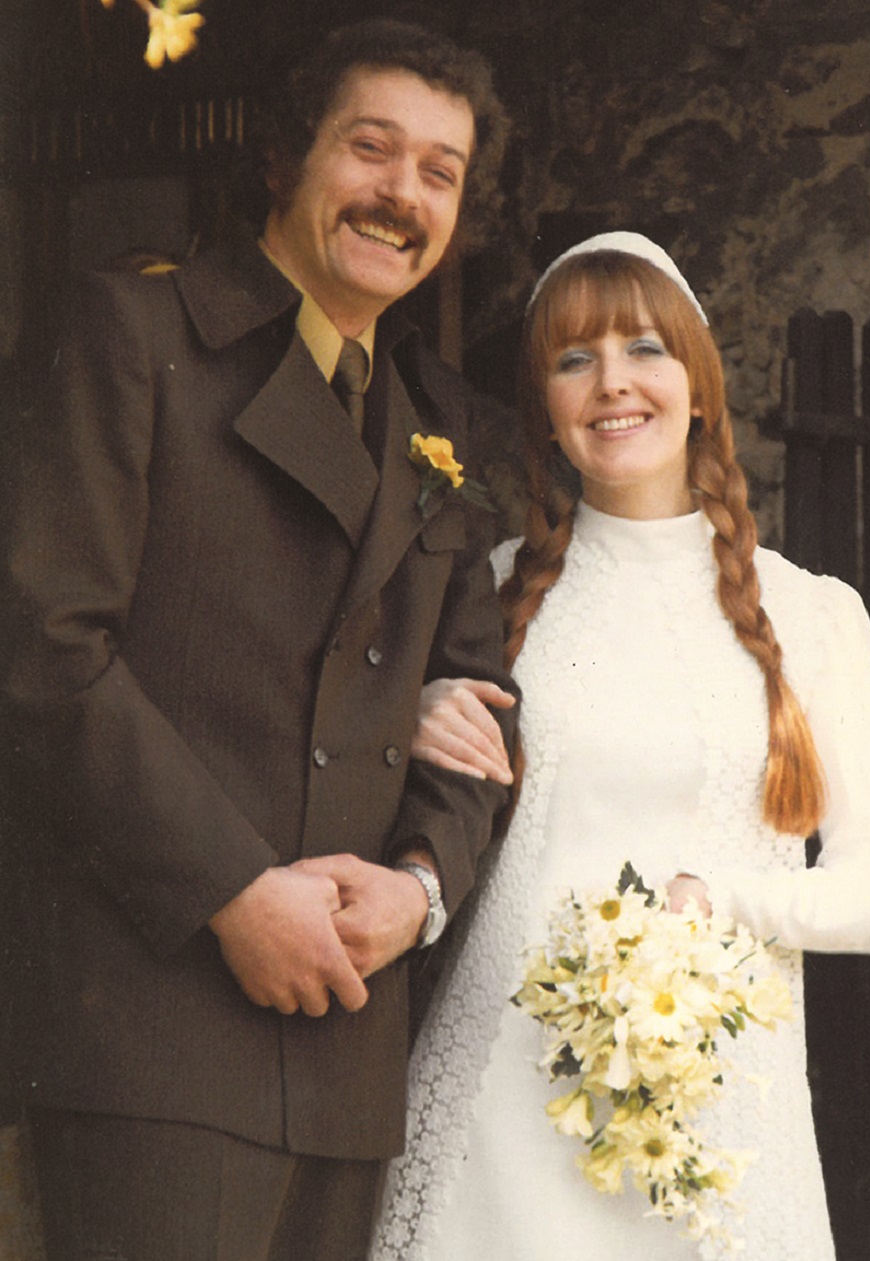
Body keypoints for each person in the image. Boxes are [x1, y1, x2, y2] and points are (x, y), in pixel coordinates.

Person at [0, 18, 516, 1261]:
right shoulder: (131, 339)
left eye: (438, 172)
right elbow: (41, 647)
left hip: (346, 1040)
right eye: (371, 149)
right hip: (155, 1031)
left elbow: (481, 699)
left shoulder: (437, 422)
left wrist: (421, 891)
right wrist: (232, 892)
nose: (402, 194)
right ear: (286, 157)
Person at [370, 232, 870, 1260]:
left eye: (643, 350)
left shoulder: (813, 614)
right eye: (574, 359)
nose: (611, 383)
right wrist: (413, 713)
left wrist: (719, 902)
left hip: (717, 1131)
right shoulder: (487, 591)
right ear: (543, 404)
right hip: (498, 1127)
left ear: (699, 382)